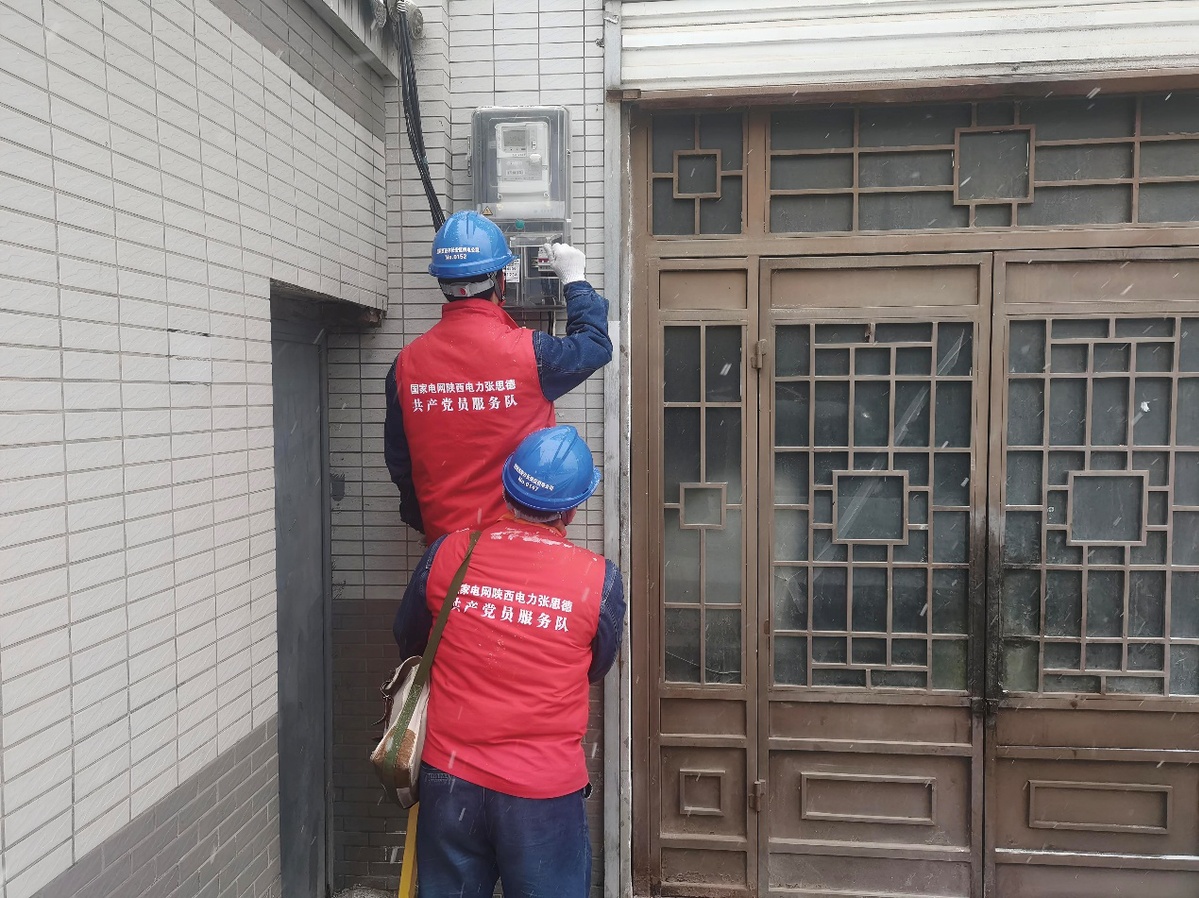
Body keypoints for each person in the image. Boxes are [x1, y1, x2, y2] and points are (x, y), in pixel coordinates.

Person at [392, 425, 625, 898]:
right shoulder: (597, 579)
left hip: (449, 779)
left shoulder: (449, 553)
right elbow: (596, 666)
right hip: (542, 792)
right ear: (572, 509)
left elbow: (411, 639)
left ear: (506, 489)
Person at [384, 211, 612, 542]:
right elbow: (594, 345)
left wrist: (428, 520)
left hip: (446, 549)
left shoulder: (406, 364)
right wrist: (575, 280)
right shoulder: (531, 353)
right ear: (500, 280)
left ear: (443, 284)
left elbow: (400, 461)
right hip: (518, 546)